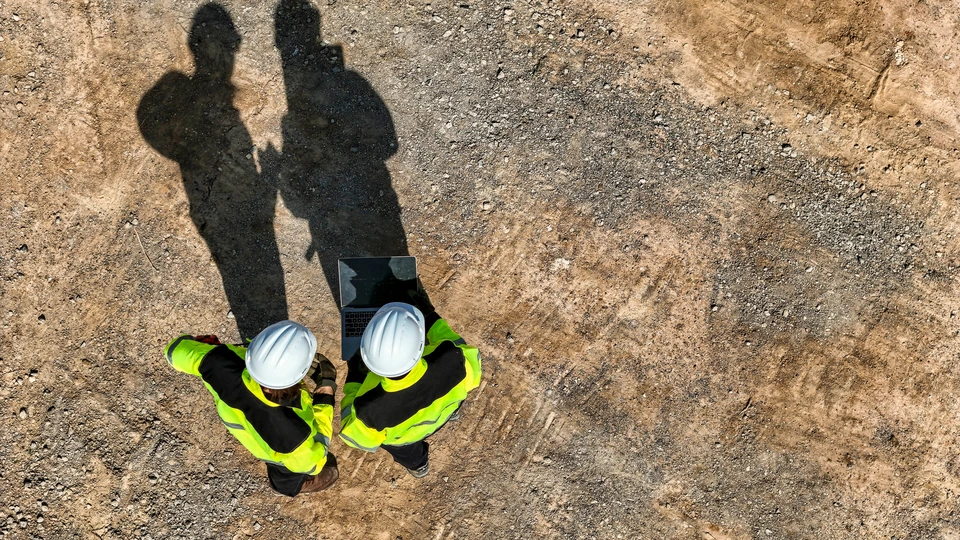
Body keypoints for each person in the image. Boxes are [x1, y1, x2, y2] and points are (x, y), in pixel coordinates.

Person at [138, 3, 287, 339]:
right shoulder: (182, 95)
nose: (230, 51)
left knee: (250, 264)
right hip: (218, 200)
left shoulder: (178, 92)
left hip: (214, 198)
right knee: (253, 263)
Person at [163, 321, 339, 495]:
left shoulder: (219, 363)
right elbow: (312, 462)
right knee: (287, 476)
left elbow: (174, 352)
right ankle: (293, 486)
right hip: (283, 454)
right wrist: (326, 390)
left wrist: (207, 350)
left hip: (246, 430)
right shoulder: (292, 435)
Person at [338, 287, 482, 477]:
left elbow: (358, 438)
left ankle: (419, 465)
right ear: (420, 344)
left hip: (404, 439)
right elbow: (455, 343)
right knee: (450, 401)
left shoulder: (369, 410)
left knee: (410, 455)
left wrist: (354, 381)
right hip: (445, 407)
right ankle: (453, 413)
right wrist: (430, 316)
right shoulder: (453, 358)